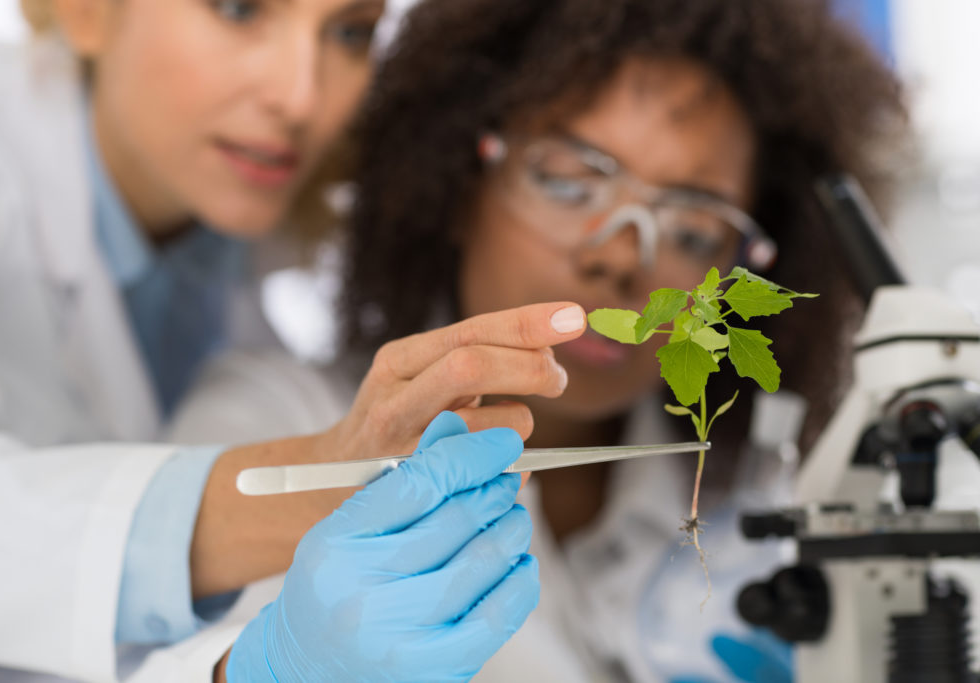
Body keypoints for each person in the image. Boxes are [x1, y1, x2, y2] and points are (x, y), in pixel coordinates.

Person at [168, 0, 907, 680]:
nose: (619, 257)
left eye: (690, 228)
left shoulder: (759, 512)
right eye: (567, 181)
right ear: (458, 182)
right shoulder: (270, 420)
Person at [0, 0, 586, 680]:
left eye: (350, 32)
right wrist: (327, 472)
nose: (300, 97)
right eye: (239, 9)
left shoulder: (240, 236)